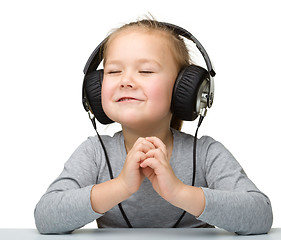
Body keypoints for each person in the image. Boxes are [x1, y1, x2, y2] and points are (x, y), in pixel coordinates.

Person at [34, 19, 273, 235]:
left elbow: (260, 216)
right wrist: (120, 186)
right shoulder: (95, 153)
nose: (126, 81)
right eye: (114, 71)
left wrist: (179, 193)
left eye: (146, 71)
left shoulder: (206, 154)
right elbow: (46, 217)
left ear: (186, 91)